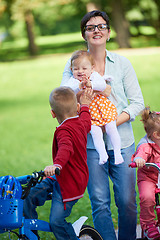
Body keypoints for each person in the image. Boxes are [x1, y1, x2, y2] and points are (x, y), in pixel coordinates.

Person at [61, 10, 144, 240]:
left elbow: (137, 103)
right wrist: (80, 98)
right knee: (99, 202)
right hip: (90, 144)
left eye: (101, 26)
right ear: (84, 34)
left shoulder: (122, 64)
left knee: (127, 201)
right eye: (90, 27)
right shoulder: (74, 65)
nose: (96, 30)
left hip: (123, 141)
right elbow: (63, 100)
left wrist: (111, 122)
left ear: (108, 33)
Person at [23, 86, 93, 240]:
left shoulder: (64, 131)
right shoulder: (81, 123)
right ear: (77, 107)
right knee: (27, 196)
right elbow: (87, 120)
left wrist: (57, 165)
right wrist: (86, 105)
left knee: (56, 222)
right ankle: (30, 236)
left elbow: (65, 148)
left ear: (53, 113)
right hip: (59, 177)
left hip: (70, 182)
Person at [65, 49, 124, 165]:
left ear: (92, 68)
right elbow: (68, 90)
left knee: (111, 128)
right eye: (76, 69)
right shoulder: (72, 81)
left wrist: (90, 84)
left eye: (84, 68)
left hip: (103, 108)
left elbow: (102, 85)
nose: (80, 72)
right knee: (95, 132)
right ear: (71, 70)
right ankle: (102, 154)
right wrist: (79, 85)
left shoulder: (94, 76)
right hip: (88, 112)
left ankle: (118, 153)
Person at [131, 107, 160, 240]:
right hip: (148, 178)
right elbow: (141, 153)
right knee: (147, 197)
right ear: (156, 135)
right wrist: (139, 159)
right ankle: (149, 225)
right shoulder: (146, 145)